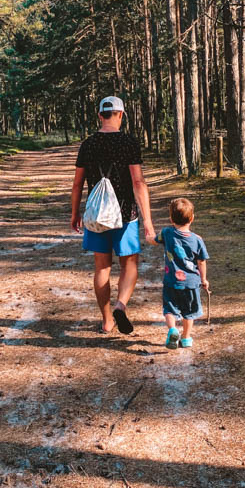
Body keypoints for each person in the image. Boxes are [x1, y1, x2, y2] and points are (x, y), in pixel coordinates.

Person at [71, 96, 156, 335]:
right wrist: (147, 221)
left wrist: (75, 212)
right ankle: (121, 305)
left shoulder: (88, 144)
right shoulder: (128, 142)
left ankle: (107, 320)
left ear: (100, 115)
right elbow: (138, 182)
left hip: (96, 216)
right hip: (125, 214)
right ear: (121, 114)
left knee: (102, 267)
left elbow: (77, 184)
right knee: (129, 263)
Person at [150, 197, 210, 349]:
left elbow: (154, 240)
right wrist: (203, 279)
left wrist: (149, 235)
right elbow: (201, 261)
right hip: (191, 283)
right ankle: (186, 338)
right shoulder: (197, 240)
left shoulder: (167, 233)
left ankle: (172, 330)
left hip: (171, 281)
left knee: (170, 308)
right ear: (192, 218)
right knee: (189, 312)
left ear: (171, 219)